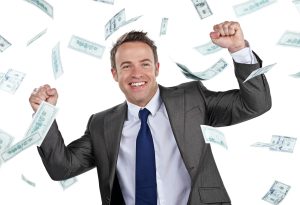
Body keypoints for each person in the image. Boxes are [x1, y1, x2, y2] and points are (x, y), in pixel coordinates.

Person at [29, 21, 271, 205]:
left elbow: (255, 104)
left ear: (156, 68)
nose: (137, 74)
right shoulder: (102, 124)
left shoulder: (192, 99)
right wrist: (44, 116)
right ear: (114, 74)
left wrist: (239, 50)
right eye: (126, 66)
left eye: (144, 64)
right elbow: (61, 168)